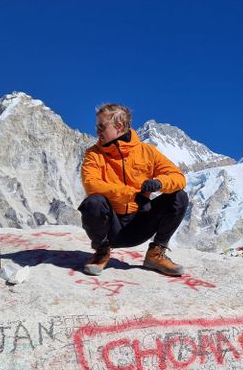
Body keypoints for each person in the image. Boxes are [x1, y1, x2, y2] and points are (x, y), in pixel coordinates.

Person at [78, 103, 189, 276]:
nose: (97, 131)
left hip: (139, 224)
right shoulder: (93, 154)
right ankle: (102, 252)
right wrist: (132, 194)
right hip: (111, 227)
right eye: (96, 126)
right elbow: (91, 184)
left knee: (179, 197)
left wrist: (159, 183)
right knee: (93, 202)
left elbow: (179, 178)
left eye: (102, 126)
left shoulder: (147, 152)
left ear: (119, 126)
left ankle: (155, 254)